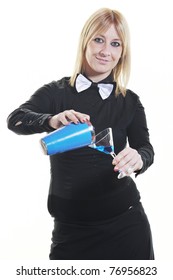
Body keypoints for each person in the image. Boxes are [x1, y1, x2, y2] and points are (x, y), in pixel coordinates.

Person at [7, 8, 154, 260]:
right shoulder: (56, 93)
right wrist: (51, 120)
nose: (105, 51)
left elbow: (146, 149)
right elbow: (16, 119)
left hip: (127, 226)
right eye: (99, 39)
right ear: (85, 41)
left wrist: (139, 158)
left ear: (122, 52)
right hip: (71, 231)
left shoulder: (129, 101)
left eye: (115, 43)